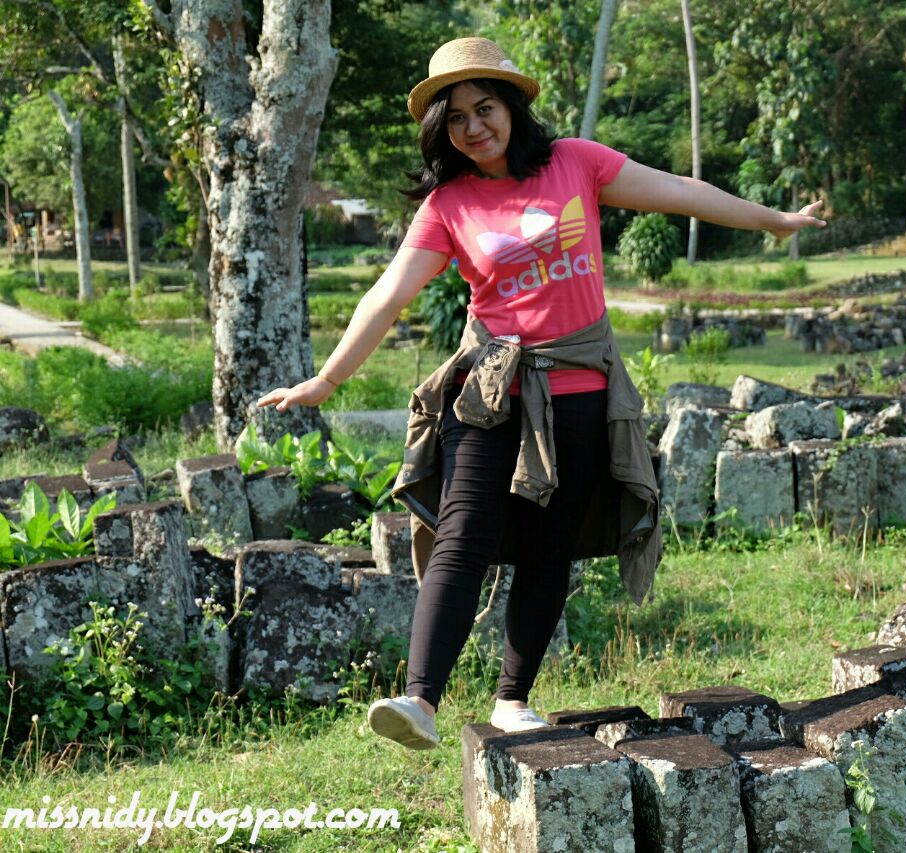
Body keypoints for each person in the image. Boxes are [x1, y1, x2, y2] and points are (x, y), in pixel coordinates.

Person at [255, 37, 825, 750]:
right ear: (443, 133)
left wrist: (772, 219)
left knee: (550, 548)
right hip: (491, 392)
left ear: (513, 108)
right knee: (462, 533)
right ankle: (419, 699)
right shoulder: (449, 203)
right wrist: (328, 377)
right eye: (455, 117)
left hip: (583, 387)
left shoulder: (577, 163)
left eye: (484, 107)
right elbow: (387, 293)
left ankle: (512, 698)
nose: (473, 127)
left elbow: (680, 192)